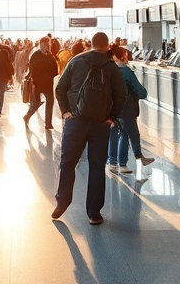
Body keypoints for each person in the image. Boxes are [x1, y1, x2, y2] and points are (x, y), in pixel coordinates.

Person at [52, 32, 127, 225]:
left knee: (67, 162)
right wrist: (111, 117)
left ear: (90, 44)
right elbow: (121, 95)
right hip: (100, 124)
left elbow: (60, 88)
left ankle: (62, 201)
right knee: (96, 166)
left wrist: (66, 112)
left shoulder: (76, 61)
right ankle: (94, 213)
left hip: (75, 120)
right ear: (108, 45)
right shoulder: (111, 67)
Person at [107, 45, 155, 174]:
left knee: (113, 134)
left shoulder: (108, 69)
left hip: (110, 109)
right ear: (121, 56)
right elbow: (141, 91)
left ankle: (112, 163)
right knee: (128, 133)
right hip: (125, 108)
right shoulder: (125, 71)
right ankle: (124, 163)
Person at [24, 36, 60, 129]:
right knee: (36, 103)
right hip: (37, 83)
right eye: (47, 44)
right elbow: (32, 69)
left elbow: (55, 70)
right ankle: (27, 116)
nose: (49, 45)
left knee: (50, 101)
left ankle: (48, 123)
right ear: (42, 44)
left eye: (49, 44)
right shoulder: (35, 55)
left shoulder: (50, 55)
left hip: (48, 83)